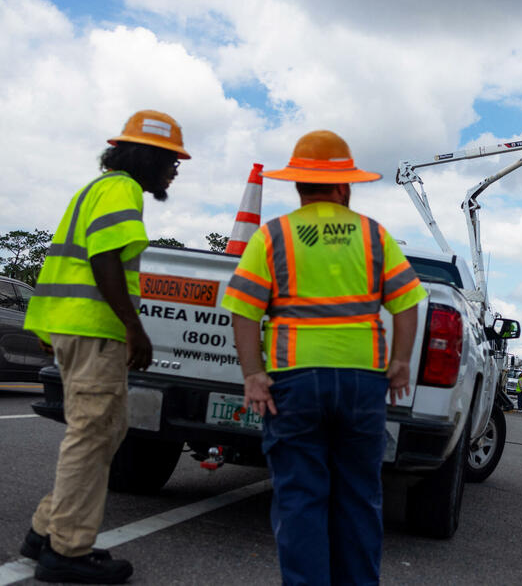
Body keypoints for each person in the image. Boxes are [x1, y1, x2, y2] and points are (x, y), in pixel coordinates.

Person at [222, 130, 426, 586]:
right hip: (362, 384)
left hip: (293, 383)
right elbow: (408, 303)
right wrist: (400, 362)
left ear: (298, 185)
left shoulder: (274, 235)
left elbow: (243, 310)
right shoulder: (374, 234)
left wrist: (253, 375)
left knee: (300, 497)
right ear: (344, 185)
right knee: (358, 497)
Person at [20, 110, 189, 584]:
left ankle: (45, 530)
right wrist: (134, 328)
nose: (175, 169)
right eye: (172, 159)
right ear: (148, 156)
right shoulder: (122, 189)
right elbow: (105, 257)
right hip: (94, 329)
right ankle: (67, 551)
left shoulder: (98, 188)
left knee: (104, 432)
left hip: (77, 327)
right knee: (93, 434)